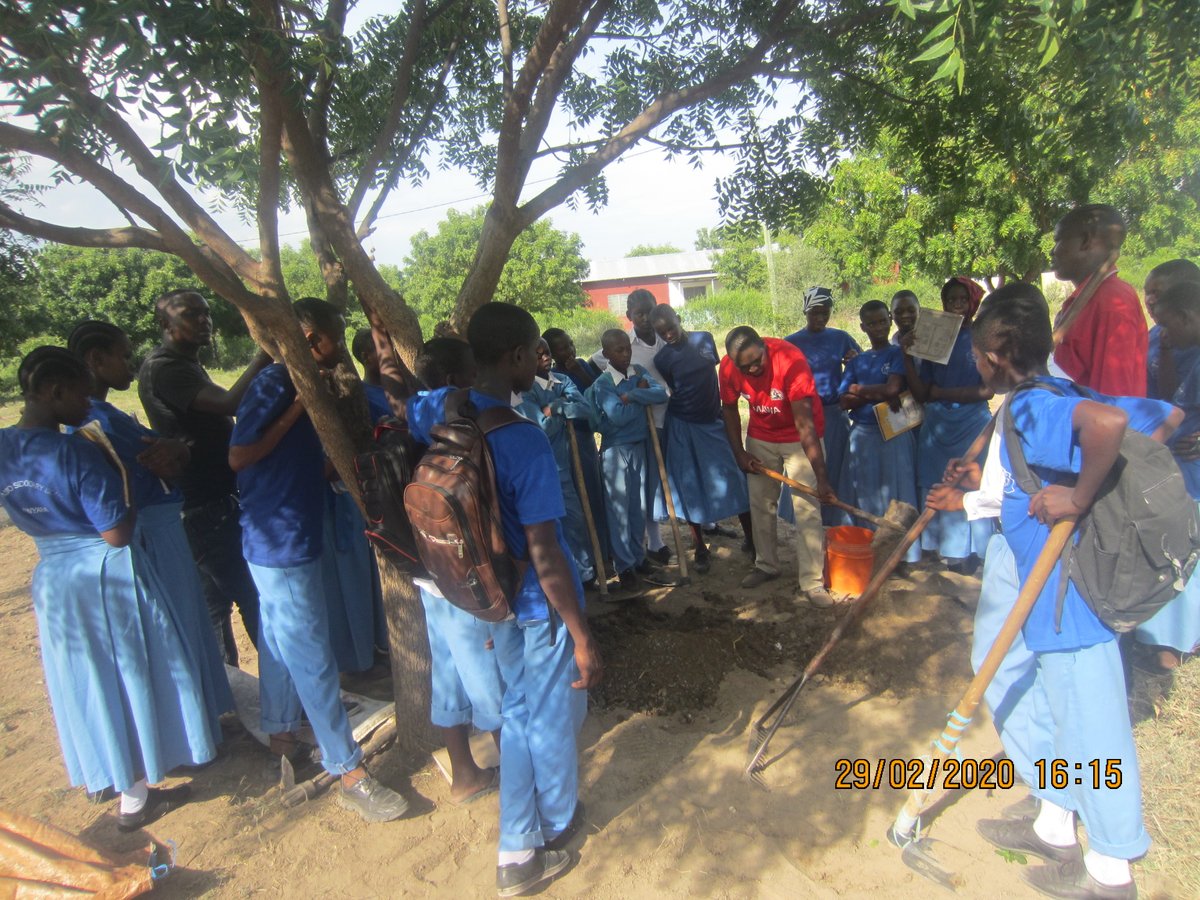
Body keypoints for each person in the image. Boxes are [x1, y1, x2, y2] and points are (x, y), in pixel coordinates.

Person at [926, 283, 1194, 900]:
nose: (972, 360)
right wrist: (1036, 482)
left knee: (1094, 730)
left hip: (1068, 603)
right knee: (1067, 718)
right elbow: (1164, 417)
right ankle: (1055, 820)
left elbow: (1108, 424)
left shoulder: (1029, 406)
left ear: (995, 349)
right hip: (1049, 596)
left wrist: (1077, 496)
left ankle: (1111, 870)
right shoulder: (1058, 391)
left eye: (974, 348)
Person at [374, 302, 602, 896]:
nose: (539, 360)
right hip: (534, 602)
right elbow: (546, 551)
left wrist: (385, 348)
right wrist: (581, 634)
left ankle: (535, 829)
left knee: (520, 711)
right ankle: (532, 840)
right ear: (517, 356)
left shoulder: (441, 411)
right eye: (534, 351)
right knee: (542, 716)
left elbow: (404, 402)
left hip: (483, 596)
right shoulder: (522, 439)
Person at [1, 347, 218, 831]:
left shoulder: (3, 445)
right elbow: (116, 532)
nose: (87, 404)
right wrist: (126, 493)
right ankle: (145, 780)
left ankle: (127, 787)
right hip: (106, 573)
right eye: (80, 394)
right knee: (135, 672)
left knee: (91, 682)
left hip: (55, 578)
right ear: (55, 392)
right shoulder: (76, 449)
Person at [229, 298, 409, 823]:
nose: (337, 351)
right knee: (309, 650)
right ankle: (347, 769)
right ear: (312, 341)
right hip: (279, 540)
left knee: (282, 637)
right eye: (333, 339)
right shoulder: (277, 384)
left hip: (293, 531)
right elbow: (239, 456)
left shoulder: (300, 384)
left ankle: (283, 730)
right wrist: (301, 405)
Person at [67, 321, 234, 727]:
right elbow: (157, 459)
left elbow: (170, 454)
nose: (130, 365)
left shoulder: (106, 415)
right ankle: (196, 722)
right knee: (178, 623)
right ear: (96, 359)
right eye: (123, 356)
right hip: (154, 533)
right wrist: (176, 452)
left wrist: (176, 450)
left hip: (162, 527)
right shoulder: (96, 423)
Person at [138, 289, 267, 665]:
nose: (203, 321)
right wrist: (266, 354)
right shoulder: (167, 368)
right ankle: (286, 696)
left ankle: (228, 697)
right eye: (191, 314)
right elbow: (231, 404)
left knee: (215, 605)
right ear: (165, 324)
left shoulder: (181, 364)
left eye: (206, 313)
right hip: (206, 505)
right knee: (249, 596)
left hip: (204, 502)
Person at [403, 335, 504, 805]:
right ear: (452, 379)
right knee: (487, 672)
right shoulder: (455, 406)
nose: (476, 378)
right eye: (470, 370)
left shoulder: (413, 407)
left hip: (430, 564)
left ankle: (465, 774)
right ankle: (520, 774)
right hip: (461, 570)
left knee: (446, 668)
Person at [719, 326, 836, 607]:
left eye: (757, 361)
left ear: (765, 348)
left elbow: (805, 425)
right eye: (745, 367)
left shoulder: (791, 361)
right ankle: (766, 565)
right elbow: (729, 409)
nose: (753, 369)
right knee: (760, 503)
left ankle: (812, 582)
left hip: (799, 437)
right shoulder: (728, 369)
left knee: (807, 506)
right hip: (761, 436)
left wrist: (821, 478)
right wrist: (740, 453)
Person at [900, 278, 995, 574]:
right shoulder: (935, 336)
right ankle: (948, 550)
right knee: (934, 479)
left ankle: (974, 553)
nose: (955, 305)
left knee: (968, 482)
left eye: (961, 300)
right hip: (938, 424)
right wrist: (906, 354)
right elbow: (923, 392)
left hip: (971, 423)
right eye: (950, 299)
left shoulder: (983, 337)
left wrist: (942, 394)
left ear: (972, 303)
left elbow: (988, 390)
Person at [650, 305, 753, 573]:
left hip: (713, 421)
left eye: (671, 327)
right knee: (690, 484)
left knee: (735, 478)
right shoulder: (662, 359)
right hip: (683, 424)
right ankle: (699, 548)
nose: (668, 334)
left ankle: (752, 541)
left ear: (679, 320)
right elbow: (674, 388)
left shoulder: (703, 339)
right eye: (662, 332)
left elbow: (713, 377)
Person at [586, 329, 673, 592]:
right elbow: (618, 417)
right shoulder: (603, 384)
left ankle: (637, 558)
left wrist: (632, 395)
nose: (626, 354)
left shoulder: (637, 372)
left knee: (637, 506)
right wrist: (638, 395)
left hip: (639, 446)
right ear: (606, 353)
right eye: (619, 350)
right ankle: (624, 567)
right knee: (619, 512)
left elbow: (661, 394)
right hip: (616, 451)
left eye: (627, 348)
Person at [838, 301, 921, 568]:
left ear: (890, 321)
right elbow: (844, 401)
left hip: (895, 433)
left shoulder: (898, 354)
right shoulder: (857, 360)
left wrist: (858, 389)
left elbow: (892, 389)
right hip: (862, 434)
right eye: (871, 323)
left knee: (898, 492)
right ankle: (871, 549)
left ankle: (901, 555)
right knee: (866, 492)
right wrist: (878, 392)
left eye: (882, 321)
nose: (878, 327)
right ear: (862, 327)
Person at [518, 338, 599, 587]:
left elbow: (586, 409)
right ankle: (575, 574)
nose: (545, 358)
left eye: (548, 353)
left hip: (572, 457)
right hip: (550, 465)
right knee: (565, 519)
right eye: (538, 354)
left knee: (580, 513)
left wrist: (556, 407)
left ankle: (587, 572)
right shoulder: (527, 390)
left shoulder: (562, 380)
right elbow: (543, 428)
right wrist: (559, 412)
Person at [1050, 204, 1147, 396]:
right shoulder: (1083, 300)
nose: (1053, 251)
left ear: (1085, 241)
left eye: (1059, 241)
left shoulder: (1112, 302)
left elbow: (1113, 399)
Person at [784, 286, 860, 526]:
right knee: (805, 468)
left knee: (835, 467)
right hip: (803, 415)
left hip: (833, 414)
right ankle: (807, 518)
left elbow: (860, 366)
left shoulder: (840, 338)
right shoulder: (791, 343)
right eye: (815, 312)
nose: (820, 317)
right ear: (805, 312)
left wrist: (853, 362)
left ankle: (836, 520)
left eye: (825, 312)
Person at [544, 327, 609, 561]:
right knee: (576, 498)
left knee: (593, 492)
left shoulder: (582, 365)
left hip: (585, 437)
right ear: (550, 354)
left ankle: (604, 551)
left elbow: (601, 390)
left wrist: (580, 373)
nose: (570, 350)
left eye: (570, 344)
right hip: (564, 443)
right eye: (563, 348)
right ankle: (587, 556)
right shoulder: (552, 378)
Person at [1142, 259, 1200, 400]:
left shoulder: (1189, 344)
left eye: (1156, 293)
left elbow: (1171, 397)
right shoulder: (1158, 332)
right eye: (1147, 293)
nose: (1149, 300)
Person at [351, 327, 392, 423]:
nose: (391, 354)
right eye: (384, 350)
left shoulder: (402, 383)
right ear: (366, 357)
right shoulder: (364, 397)